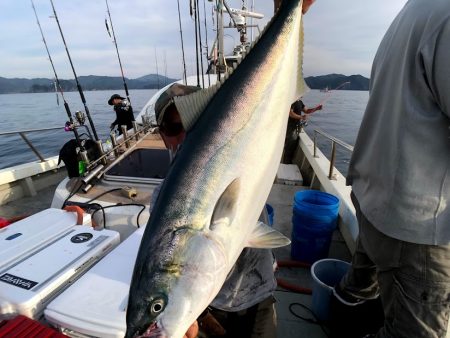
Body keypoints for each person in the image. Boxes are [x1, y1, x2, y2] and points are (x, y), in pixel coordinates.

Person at [334, 1, 450, 337]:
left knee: (358, 288)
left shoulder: (410, 13)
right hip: (415, 226)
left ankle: (339, 320)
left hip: (372, 198)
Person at [153, 83, 278, 338]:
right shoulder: (161, 199)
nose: (184, 136)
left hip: (257, 294)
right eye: (173, 128)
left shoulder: (239, 160)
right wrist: (190, 316)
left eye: (193, 123)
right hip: (208, 305)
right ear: (162, 135)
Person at [281, 98, 322, 164]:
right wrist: (301, 117)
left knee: (293, 147)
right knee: (289, 148)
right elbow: (290, 113)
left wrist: (316, 108)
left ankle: (288, 163)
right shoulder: (292, 101)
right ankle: (286, 164)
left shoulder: (300, 102)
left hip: (296, 127)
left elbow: (307, 110)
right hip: (291, 128)